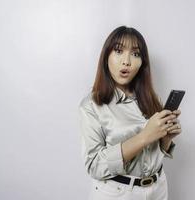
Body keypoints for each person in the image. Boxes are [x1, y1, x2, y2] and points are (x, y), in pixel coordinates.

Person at [78, 26, 182, 200]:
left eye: (135, 54)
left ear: (143, 62)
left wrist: (165, 138)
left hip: (158, 188)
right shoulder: (91, 105)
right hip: (117, 193)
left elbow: (152, 154)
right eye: (118, 51)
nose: (126, 61)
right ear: (106, 57)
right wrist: (144, 136)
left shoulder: (150, 98)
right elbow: (94, 166)